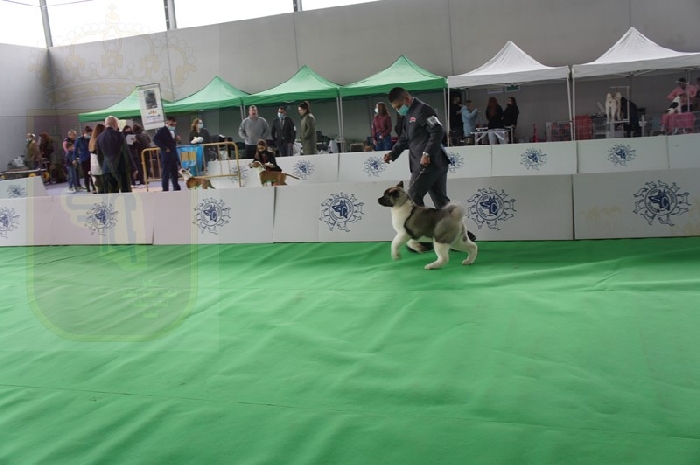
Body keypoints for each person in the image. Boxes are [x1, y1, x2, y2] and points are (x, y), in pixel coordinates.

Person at [383, 87, 477, 248]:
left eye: (398, 106)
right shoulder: (408, 114)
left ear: (407, 98)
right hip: (434, 163)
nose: (398, 110)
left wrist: (427, 153)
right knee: (442, 202)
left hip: (428, 163)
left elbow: (437, 131)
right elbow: (405, 138)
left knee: (412, 197)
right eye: (395, 108)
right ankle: (463, 236)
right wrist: (393, 153)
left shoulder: (423, 110)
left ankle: (424, 240)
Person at [97, 116, 132, 193]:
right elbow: (126, 152)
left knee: (112, 193)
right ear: (115, 124)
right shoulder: (119, 135)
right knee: (126, 192)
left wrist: (102, 167)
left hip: (106, 168)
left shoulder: (99, 137)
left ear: (105, 124)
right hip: (121, 167)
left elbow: (99, 155)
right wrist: (132, 166)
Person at [153, 116, 182, 191]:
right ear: (167, 123)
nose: (172, 126)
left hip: (173, 154)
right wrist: (164, 148)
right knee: (165, 173)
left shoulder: (174, 130)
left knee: (174, 172)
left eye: (173, 125)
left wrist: (178, 140)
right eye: (171, 124)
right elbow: (155, 140)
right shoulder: (162, 130)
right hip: (166, 155)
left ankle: (176, 186)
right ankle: (165, 188)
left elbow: (175, 141)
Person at [74, 126, 94, 193]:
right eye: (89, 133)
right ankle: (88, 187)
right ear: (85, 132)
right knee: (86, 174)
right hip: (83, 159)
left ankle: (93, 186)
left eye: (90, 134)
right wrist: (74, 159)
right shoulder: (79, 139)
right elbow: (75, 150)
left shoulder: (91, 139)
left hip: (91, 158)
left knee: (92, 173)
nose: (90, 135)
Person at [89, 124, 105, 194]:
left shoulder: (92, 141)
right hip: (101, 166)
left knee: (100, 188)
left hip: (94, 167)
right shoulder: (101, 140)